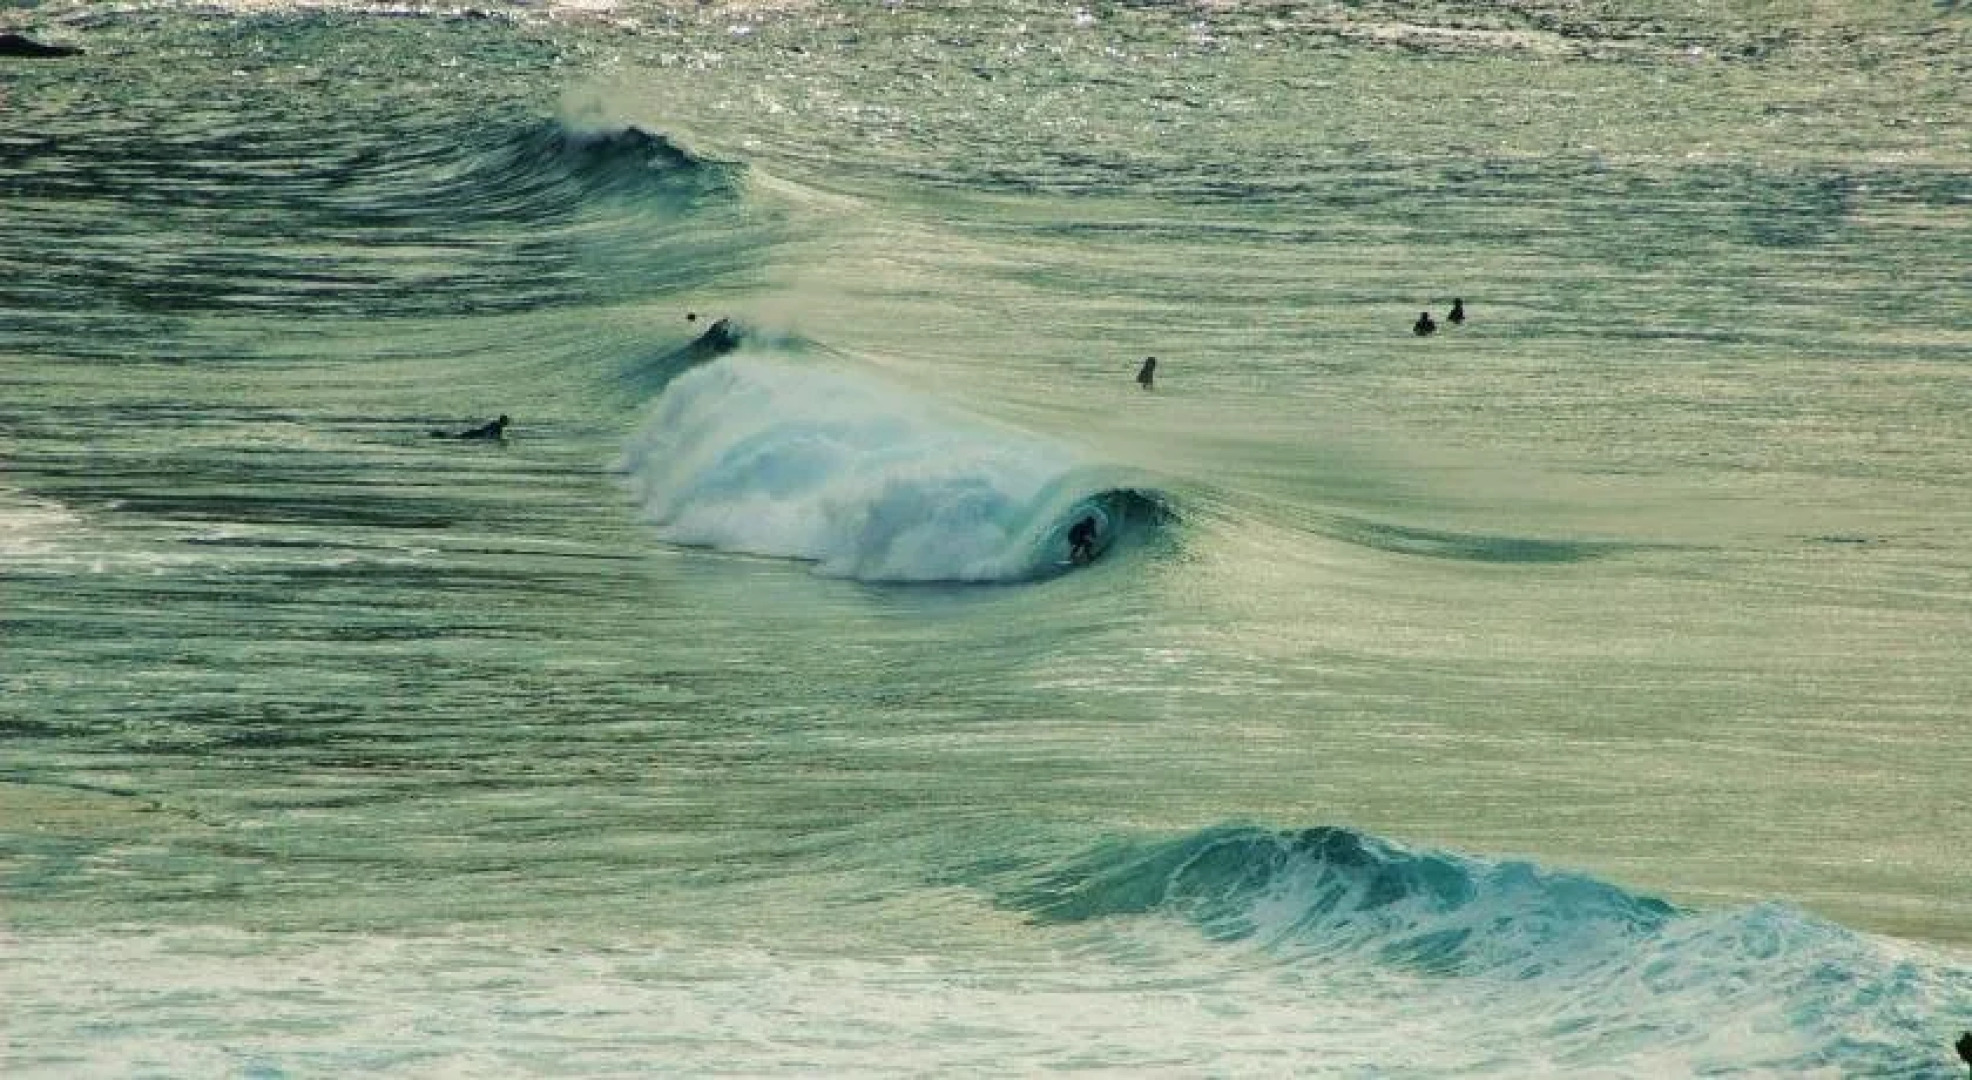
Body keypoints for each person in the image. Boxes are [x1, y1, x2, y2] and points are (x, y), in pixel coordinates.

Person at [433, 414, 509, 440]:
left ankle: (439, 434)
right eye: (506, 421)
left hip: (475, 432)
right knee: (456, 437)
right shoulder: (497, 427)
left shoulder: (496, 425)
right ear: (503, 421)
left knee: (456, 436)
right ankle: (438, 434)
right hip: (476, 434)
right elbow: (488, 435)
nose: (507, 423)